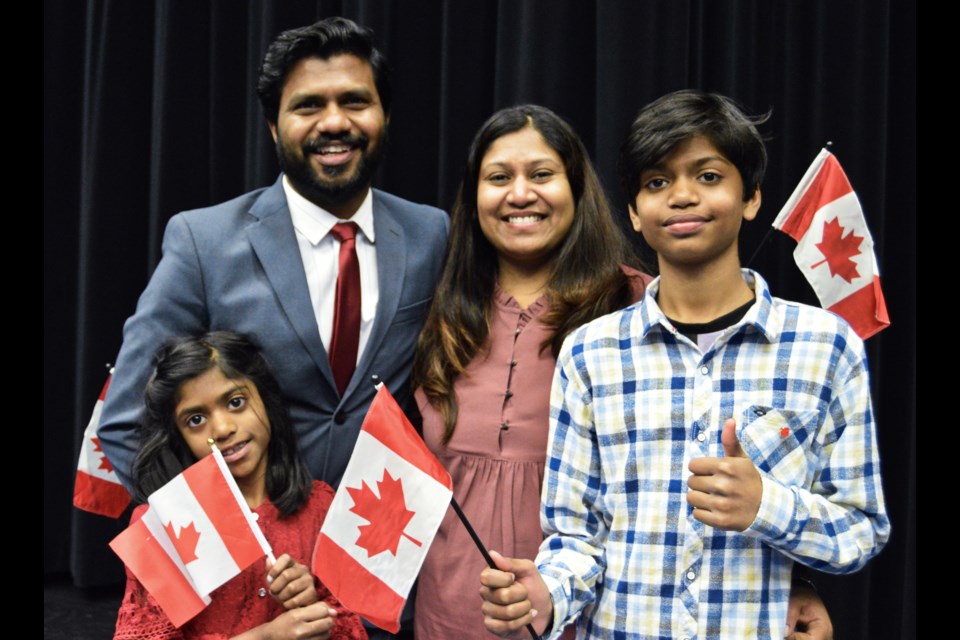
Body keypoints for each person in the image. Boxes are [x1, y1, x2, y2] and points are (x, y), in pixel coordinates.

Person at [478, 91, 889, 639]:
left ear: (751, 198)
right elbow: (576, 539)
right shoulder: (590, 354)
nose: (682, 196)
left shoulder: (826, 347)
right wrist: (546, 594)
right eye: (656, 182)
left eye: (709, 176)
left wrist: (767, 504)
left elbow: (861, 529)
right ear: (633, 212)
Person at [97, 17, 449, 497]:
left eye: (354, 101)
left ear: (385, 116)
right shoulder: (204, 242)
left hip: (382, 555)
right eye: (308, 106)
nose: (334, 122)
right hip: (260, 562)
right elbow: (125, 425)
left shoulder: (431, 233)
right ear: (272, 126)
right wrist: (234, 554)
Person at [411, 104, 648, 640]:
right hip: (449, 619)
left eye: (541, 174)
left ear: (576, 187)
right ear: (474, 198)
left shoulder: (632, 305)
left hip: (590, 619)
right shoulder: (440, 311)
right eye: (499, 178)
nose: (520, 194)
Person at [113, 331, 366, 640]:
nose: (222, 429)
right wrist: (267, 636)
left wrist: (311, 607)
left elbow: (349, 629)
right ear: (178, 436)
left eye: (236, 402)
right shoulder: (163, 526)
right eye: (195, 420)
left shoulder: (319, 507)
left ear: (267, 401)